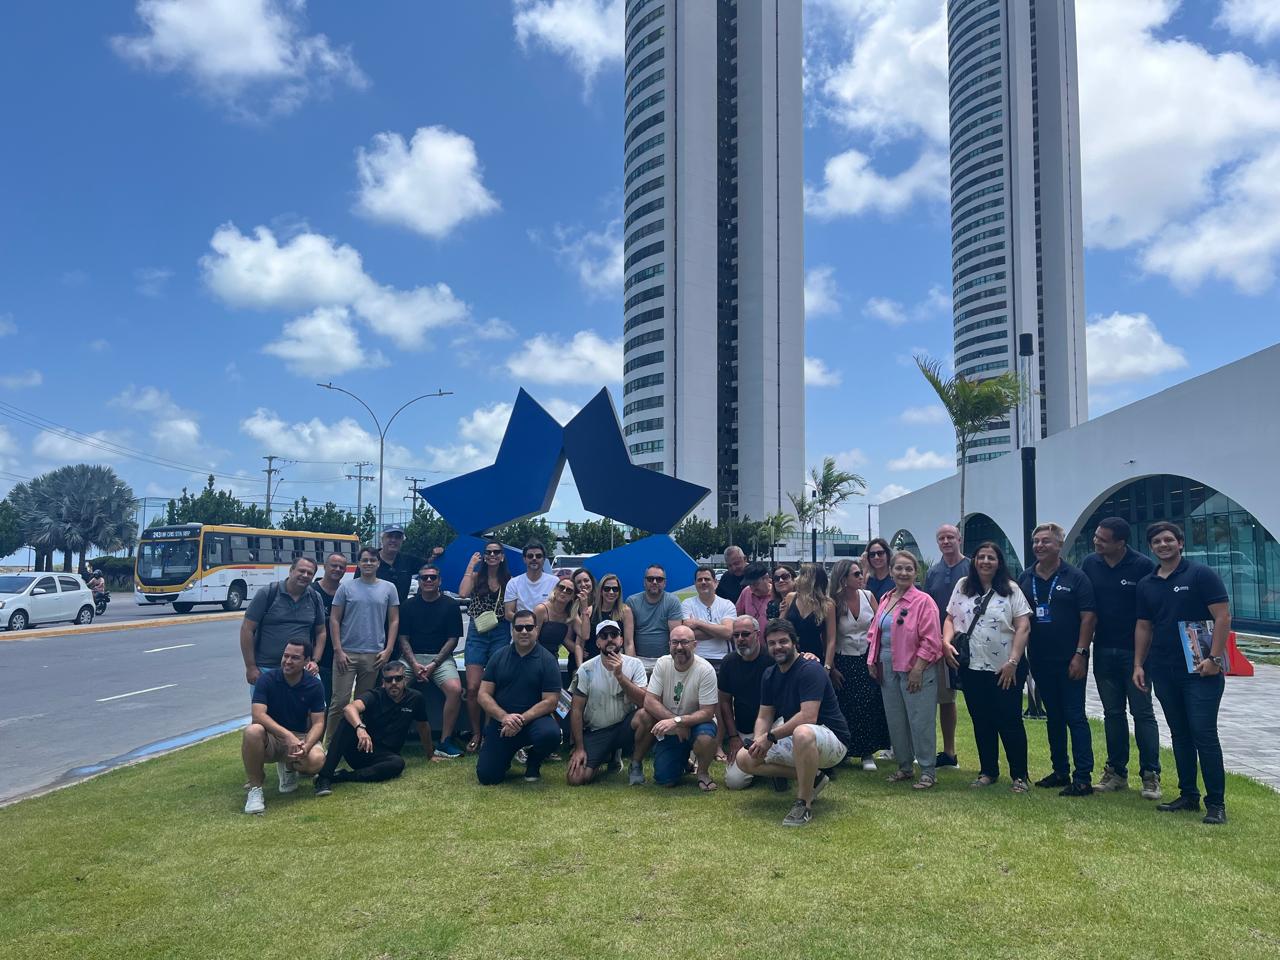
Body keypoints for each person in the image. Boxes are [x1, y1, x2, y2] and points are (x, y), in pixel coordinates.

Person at [1134, 521, 1232, 825]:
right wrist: (1139, 664)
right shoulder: (1147, 583)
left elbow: (1222, 616)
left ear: (1180, 543)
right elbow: (1144, 626)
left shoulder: (1200, 574)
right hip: (1164, 670)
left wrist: (1215, 658)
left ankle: (1215, 803)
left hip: (1201, 670)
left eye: (1168, 540)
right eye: (1156, 541)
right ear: (1151, 547)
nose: (1163, 545)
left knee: (1204, 734)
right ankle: (1188, 795)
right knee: (1179, 735)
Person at [732, 619, 851, 827]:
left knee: (803, 732)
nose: (778, 647)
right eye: (772, 643)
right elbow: (764, 716)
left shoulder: (810, 669)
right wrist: (758, 740)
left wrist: (770, 738)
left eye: (783, 641)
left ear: (795, 642)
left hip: (831, 740)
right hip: (797, 737)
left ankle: (803, 805)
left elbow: (808, 717)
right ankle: (814, 778)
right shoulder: (770, 674)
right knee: (745, 759)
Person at [1082, 517, 1161, 799]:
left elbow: (1151, 613)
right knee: (1112, 714)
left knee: (1142, 712)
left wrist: (1143, 658)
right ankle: (1116, 772)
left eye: (1103, 539)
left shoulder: (1142, 566)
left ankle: (1151, 775)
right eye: (1096, 537)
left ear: (1120, 542)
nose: (1096, 542)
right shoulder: (1091, 563)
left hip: (1136, 655)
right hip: (1103, 650)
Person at [943, 541, 1032, 792]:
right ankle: (988, 771)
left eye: (991, 557)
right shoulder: (963, 587)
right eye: (980, 556)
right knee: (981, 720)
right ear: (974, 561)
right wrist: (945, 642)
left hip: (1005, 667)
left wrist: (1013, 662)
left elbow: (1023, 626)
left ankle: (1019, 776)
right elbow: (950, 617)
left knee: (1010, 720)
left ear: (999, 562)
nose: (985, 561)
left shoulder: (1011, 590)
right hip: (972, 667)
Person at [1017, 522, 1097, 797]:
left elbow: (1088, 617)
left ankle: (1083, 777)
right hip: (1040, 659)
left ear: (1059, 545)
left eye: (1046, 541)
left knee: (1075, 716)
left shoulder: (1076, 577)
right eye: (1036, 541)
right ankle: (1060, 770)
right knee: (1053, 717)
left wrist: (1081, 653)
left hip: (1070, 659)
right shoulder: (1026, 578)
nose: (1039, 546)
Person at [867, 550, 943, 789]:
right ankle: (905, 766)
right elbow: (875, 632)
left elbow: (932, 640)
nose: (903, 573)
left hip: (915, 666)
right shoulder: (886, 599)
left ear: (915, 572)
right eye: (899, 568)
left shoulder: (923, 601)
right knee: (896, 719)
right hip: (887, 665)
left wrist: (919, 668)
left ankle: (928, 770)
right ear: (891, 571)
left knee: (920, 720)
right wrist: (872, 660)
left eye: (909, 569)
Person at [314, 659, 432, 795]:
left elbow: (423, 726)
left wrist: (430, 754)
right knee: (347, 722)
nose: (393, 683)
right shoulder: (375, 695)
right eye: (389, 680)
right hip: (362, 748)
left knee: (397, 764)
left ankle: (342, 777)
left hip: (385, 755)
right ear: (383, 683)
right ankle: (324, 777)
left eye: (398, 679)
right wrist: (360, 728)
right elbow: (349, 708)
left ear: (404, 680)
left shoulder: (415, 698)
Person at [475, 609, 562, 784]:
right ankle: (505, 758)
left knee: (551, 735)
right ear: (512, 630)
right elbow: (483, 694)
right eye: (519, 628)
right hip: (503, 724)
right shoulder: (498, 657)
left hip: (534, 722)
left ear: (536, 630)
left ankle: (533, 761)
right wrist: (504, 717)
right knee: (487, 777)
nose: (524, 632)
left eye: (529, 627)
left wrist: (520, 719)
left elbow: (551, 701)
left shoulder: (547, 660)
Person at [242, 640, 327, 815]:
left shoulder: (314, 685)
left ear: (306, 661)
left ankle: (289, 766)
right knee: (252, 731)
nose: (288, 661)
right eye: (286, 656)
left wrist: (307, 745)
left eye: (295, 658)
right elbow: (258, 715)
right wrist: (287, 736)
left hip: (300, 737)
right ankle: (256, 789)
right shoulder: (267, 679)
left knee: (317, 760)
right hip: (272, 736)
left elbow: (319, 722)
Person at [567, 620, 653, 786]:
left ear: (621, 640)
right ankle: (608, 756)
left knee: (646, 715)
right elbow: (576, 710)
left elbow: (644, 702)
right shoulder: (586, 669)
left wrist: (620, 677)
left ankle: (635, 765)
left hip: (625, 727)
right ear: (598, 642)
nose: (610, 639)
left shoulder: (635, 665)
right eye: (604, 636)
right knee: (575, 778)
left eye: (614, 635)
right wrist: (579, 748)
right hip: (597, 731)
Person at [327, 546, 400, 742]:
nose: (368, 563)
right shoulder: (346, 588)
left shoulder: (389, 588)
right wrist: (338, 650)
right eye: (364, 560)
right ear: (358, 563)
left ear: (378, 563)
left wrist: (388, 650)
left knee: (362, 702)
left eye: (372, 560)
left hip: (374, 654)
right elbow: (334, 619)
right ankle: (330, 744)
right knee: (339, 701)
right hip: (346, 654)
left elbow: (394, 620)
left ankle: (354, 742)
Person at [397, 562, 464, 758]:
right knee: (392, 687)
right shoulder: (408, 606)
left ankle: (444, 742)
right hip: (412, 657)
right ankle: (388, 738)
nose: (428, 580)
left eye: (432, 577)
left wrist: (434, 664)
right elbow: (403, 639)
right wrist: (414, 664)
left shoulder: (451, 605)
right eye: (423, 577)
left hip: (440, 658)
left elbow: (453, 639)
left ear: (439, 581)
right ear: (418, 581)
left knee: (455, 690)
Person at [829, 558, 890, 771]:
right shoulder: (833, 603)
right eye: (856, 574)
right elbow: (829, 637)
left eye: (860, 573)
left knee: (868, 704)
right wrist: (833, 667)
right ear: (843, 578)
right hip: (844, 659)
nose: (861, 577)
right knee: (846, 706)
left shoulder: (868, 596)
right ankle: (844, 751)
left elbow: (879, 626)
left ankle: (867, 752)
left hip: (868, 657)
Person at [644, 625, 719, 790]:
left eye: (684, 642)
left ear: (694, 645)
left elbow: (708, 712)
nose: (679, 647)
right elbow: (649, 701)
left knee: (705, 739)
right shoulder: (662, 664)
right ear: (669, 644)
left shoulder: (706, 670)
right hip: (672, 725)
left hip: (699, 723)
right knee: (665, 780)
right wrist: (675, 723)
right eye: (675, 642)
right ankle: (684, 761)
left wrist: (679, 722)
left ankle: (703, 772)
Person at [240, 557, 326, 689]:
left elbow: (321, 632)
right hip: (267, 669)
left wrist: (315, 661)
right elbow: (247, 629)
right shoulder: (268, 594)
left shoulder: (315, 597)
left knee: (312, 708)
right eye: (301, 571)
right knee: (265, 710)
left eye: (310, 573)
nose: (305, 575)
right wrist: (250, 667)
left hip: (302, 670)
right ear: (291, 571)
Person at [458, 540, 512, 754]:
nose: (491, 555)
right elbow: (462, 593)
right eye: (488, 552)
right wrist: (471, 565)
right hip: (477, 633)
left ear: (502, 556)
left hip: (499, 631)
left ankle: (489, 733)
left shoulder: (508, 581)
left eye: (496, 552)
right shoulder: (476, 576)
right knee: (472, 687)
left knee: (492, 686)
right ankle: (476, 732)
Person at [925, 523, 969, 771]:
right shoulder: (933, 572)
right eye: (941, 538)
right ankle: (948, 752)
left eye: (950, 537)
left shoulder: (972, 567)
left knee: (974, 699)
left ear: (959, 539)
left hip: (967, 643)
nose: (946, 541)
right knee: (944, 697)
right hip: (938, 643)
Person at [719, 615, 772, 789]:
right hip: (744, 732)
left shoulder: (773, 659)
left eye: (745, 634)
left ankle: (774, 771)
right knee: (734, 782)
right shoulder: (728, 662)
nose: (740, 639)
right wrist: (733, 737)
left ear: (757, 635)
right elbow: (725, 702)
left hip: (773, 730)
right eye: (736, 635)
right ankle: (766, 769)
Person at [626, 564, 684, 666]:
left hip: (666, 660)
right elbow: (628, 640)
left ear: (665, 583)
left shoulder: (672, 601)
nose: (654, 582)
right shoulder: (632, 602)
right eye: (650, 579)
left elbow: (675, 637)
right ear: (644, 582)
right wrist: (633, 665)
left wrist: (672, 663)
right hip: (638, 659)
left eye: (659, 579)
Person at [311, 552, 348, 710]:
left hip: (341, 659)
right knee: (317, 707)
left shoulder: (347, 592)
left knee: (338, 705)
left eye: (341, 567)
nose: (337, 569)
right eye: (334, 565)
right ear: (325, 567)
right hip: (316, 660)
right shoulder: (311, 591)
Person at [681, 566, 737, 666]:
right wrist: (719, 629)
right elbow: (687, 634)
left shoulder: (727, 604)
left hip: (723, 659)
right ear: (695, 584)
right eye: (699, 580)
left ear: (715, 582)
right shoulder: (687, 604)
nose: (703, 582)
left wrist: (698, 623)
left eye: (707, 579)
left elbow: (728, 633)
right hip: (695, 659)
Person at [780, 563, 836, 663]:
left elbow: (830, 640)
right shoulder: (790, 597)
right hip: (790, 654)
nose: (797, 578)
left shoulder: (827, 604)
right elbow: (780, 626)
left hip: (815, 656)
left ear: (811, 581)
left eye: (802, 575)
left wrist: (828, 666)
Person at [367, 523, 425, 604]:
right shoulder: (369, 560)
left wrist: (438, 554)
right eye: (389, 536)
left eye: (398, 537)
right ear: (382, 539)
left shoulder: (408, 560)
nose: (393, 540)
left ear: (402, 540)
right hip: (375, 613)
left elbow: (432, 567)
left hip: (401, 612)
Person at [504, 540, 556, 622]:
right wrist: (529, 624)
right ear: (524, 559)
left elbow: (559, 610)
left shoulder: (554, 582)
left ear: (544, 559)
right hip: (521, 631)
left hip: (547, 630)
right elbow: (508, 614)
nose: (534, 558)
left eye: (538, 556)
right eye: (530, 556)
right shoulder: (513, 583)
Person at [586, 572, 635, 659]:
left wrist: (629, 666)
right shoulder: (590, 610)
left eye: (615, 589)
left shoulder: (625, 611)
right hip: (593, 660)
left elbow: (629, 643)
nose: (611, 592)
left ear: (619, 592)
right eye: (607, 589)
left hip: (616, 660)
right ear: (601, 591)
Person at [534, 576, 577, 661]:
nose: (564, 591)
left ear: (573, 596)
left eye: (569, 590)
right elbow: (533, 638)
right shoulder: (541, 610)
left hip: (553, 658)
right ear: (555, 590)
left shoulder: (569, 615)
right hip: (536, 657)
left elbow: (581, 636)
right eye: (561, 587)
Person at [569, 567, 597, 671]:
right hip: (579, 661)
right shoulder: (572, 607)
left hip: (599, 658)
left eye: (586, 580)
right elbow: (584, 635)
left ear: (592, 581)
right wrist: (575, 648)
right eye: (579, 582)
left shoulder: (601, 603)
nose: (583, 584)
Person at [734, 562, 773, 628]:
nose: (753, 588)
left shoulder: (776, 593)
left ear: (766, 578)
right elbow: (738, 614)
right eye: (750, 584)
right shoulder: (746, 591)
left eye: (756, 584)